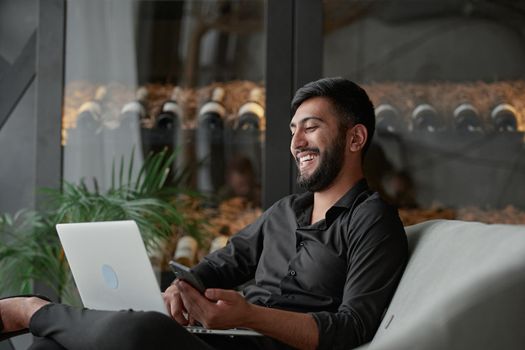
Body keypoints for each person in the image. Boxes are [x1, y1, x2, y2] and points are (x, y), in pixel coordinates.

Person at [0, 77, 408, 350]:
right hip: (221, 338)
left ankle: (32, 308)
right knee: (55, 344)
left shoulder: (373, 220)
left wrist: (251, 315)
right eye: (292, 130)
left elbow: (354, 326)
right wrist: (184, 288)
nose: (296, 142)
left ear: (355, 137)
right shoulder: (287, 211)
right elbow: (223, 263)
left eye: (312, 127)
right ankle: (44, 320)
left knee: (142, 330)